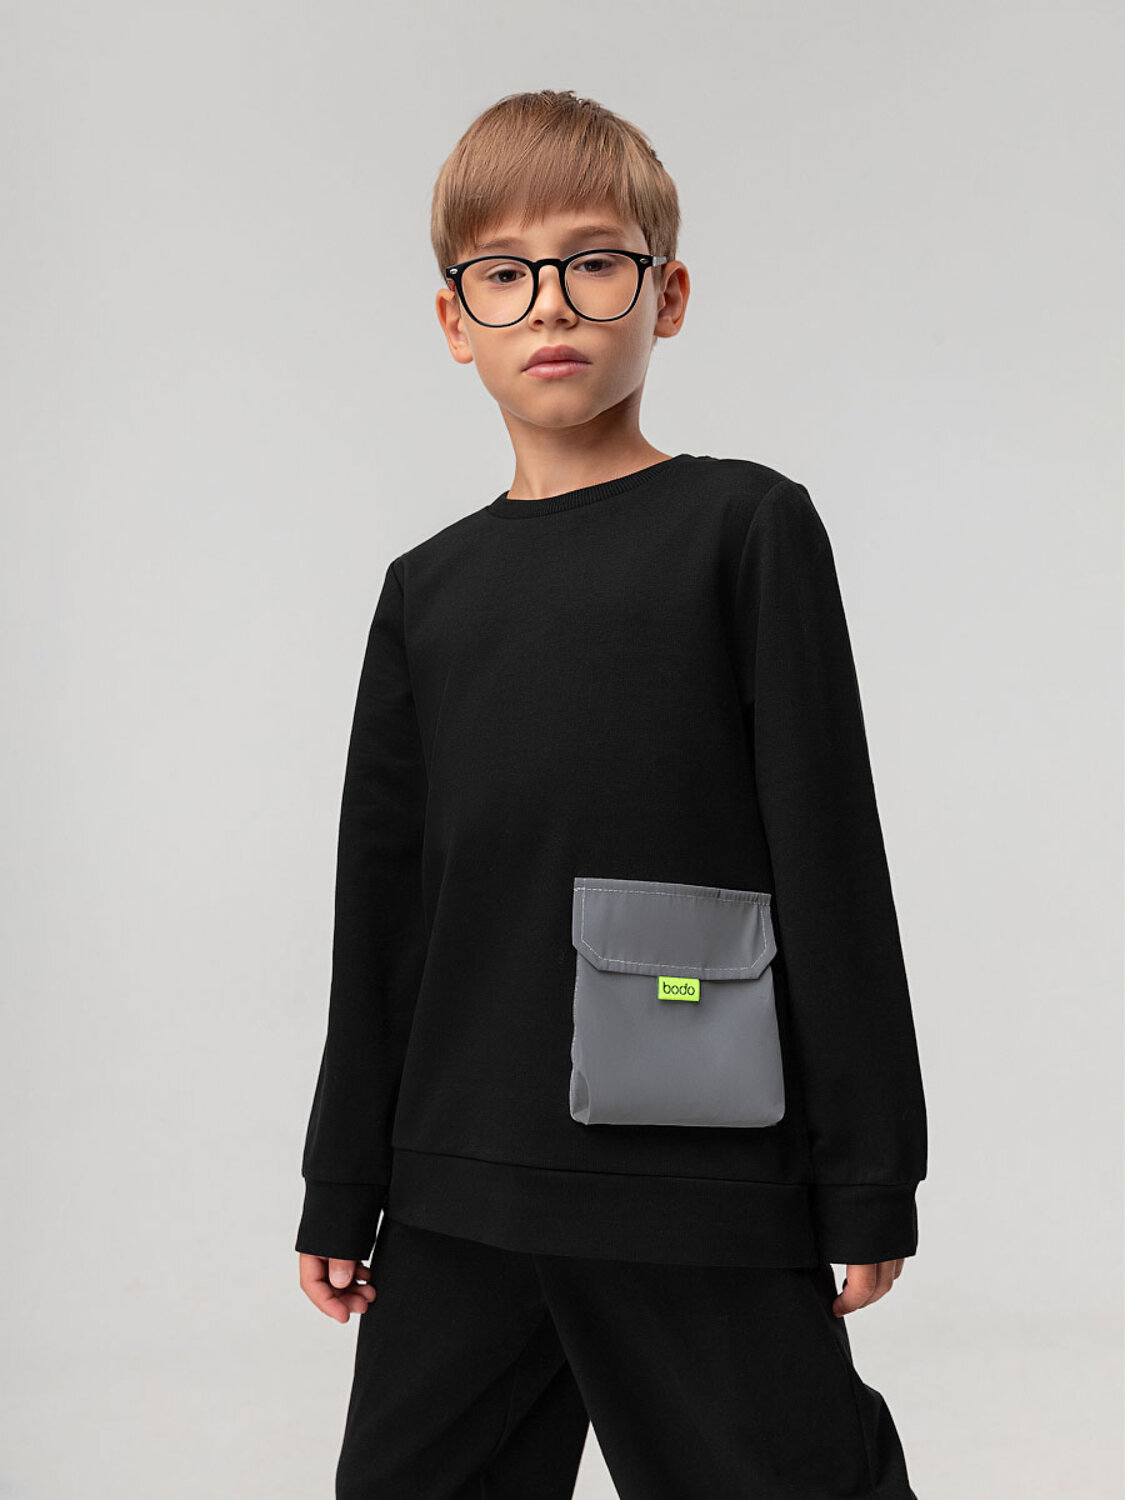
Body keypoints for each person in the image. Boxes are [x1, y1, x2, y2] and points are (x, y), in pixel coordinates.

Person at [294, 87, 928, 1500]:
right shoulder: (426, 592)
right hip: (457, 1179)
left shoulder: (745, 529)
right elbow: (382, 907)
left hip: (695, 1176)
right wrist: (344, 1178)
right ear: (454, 319)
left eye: (593, 263)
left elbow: (828, 855)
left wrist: (867, 1170)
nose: (550, 305)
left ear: (667, 295)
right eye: (503, 274)